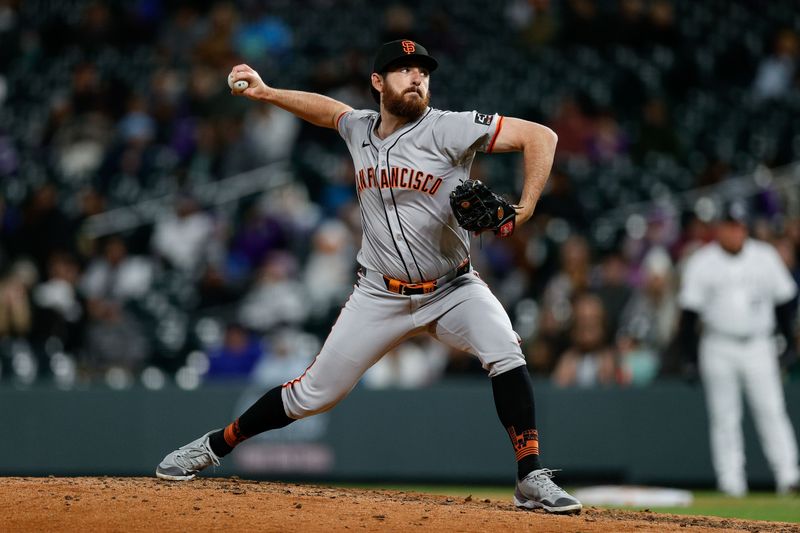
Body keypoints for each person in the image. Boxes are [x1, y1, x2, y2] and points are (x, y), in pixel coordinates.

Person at [155, 39, 582, 514]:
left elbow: (542, 136)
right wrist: (268, 92)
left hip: (453, 288)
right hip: (380, 294)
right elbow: (329, 112)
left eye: (422, 71)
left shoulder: (451, 128)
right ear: (378, 82)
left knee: (505, 349)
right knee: (311, 395)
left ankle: (530, 477)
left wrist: (521, 213)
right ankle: (214, 446)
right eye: (403, 70)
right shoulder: (360, 128)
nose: (416, 77)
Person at [677, 200, 800, 496]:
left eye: (741, 226)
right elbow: (688, 316)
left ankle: (789, 476)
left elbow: (785, 302)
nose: (736, 231)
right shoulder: (702, 261)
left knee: (771, 410)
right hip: (717, 345)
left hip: (759, 344)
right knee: (725, 416)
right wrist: (689, 357)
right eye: (731, 225)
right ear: (720, 228)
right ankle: (731, 481)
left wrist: (788, 343)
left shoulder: (764, 256)